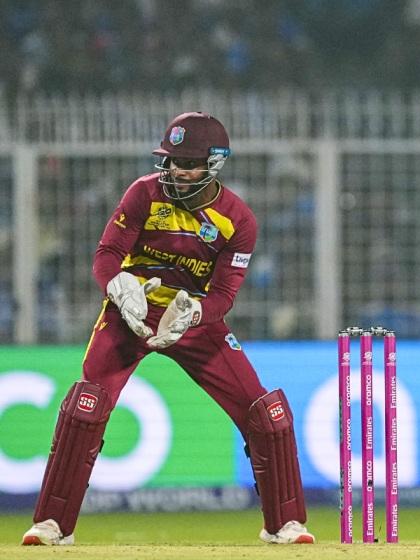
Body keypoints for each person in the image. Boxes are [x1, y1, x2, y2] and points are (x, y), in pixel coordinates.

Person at [21, 112, 315, 546]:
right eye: (173, 160)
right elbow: (107, 254)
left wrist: (194, 314)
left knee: (264, 413)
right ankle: (52, 524)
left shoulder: (238, 220)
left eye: (189, 163)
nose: (177, 170)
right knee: (86, 405)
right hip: (130, 312)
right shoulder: (144, 193)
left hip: (191, 318)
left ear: (214, 164)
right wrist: (118, 285)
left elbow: (224, 295)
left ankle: (285, 524)